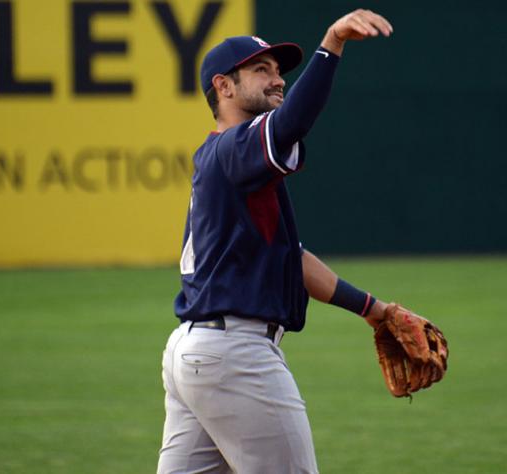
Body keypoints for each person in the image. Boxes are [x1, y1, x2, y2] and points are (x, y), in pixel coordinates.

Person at [158, 9, 394, 474]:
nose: (278, 79)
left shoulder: (234, 164)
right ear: (224, 87)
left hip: (198, 353)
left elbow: (292, 259)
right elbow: (291, 122)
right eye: (260, 69)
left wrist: (375, 310)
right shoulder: (235, 148)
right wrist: (331, 45)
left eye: (278, 70)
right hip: (235, 358)